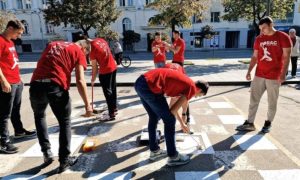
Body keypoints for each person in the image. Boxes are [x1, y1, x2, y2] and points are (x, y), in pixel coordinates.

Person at [29, 40, 93, 173]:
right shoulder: (78, 51)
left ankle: (46, 152)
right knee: (64, 122)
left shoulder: (53, 44)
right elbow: (80, 80)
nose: (85, 58)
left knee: (39, 116)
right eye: (87, 55)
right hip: (55, 86)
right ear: (84, 49)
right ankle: (64, 161)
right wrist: (88, 106)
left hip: (35, 85)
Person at [135, 68, 209, 166]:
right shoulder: (192, 87)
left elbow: (171, 108)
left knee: (154, 117)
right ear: (199, 89)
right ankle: (173, 156)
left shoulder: (185, 85)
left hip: (140, 83)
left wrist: (182, 124)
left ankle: (155, 151)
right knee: (169, 121)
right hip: (150, 87)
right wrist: (182, 124)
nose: (196, 97)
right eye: (199, 95)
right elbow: (172, 111)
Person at [236, 16, 292, 133]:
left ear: (271, 25)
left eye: (264, 28)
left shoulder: (283, 37)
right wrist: (249, 70)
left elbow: (287, 57)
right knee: (253, 99)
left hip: (274, 75)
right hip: (259, 74)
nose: (262, 31)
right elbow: (255, 56)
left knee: (272, 101)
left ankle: (268, 123)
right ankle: (250, 123)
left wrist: (283, 74)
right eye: (261, 28)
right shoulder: (259, 39)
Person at [0, 20, 36, 154]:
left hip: (16, 81)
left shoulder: (10, 42)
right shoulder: (1, 41)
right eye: (18, 33)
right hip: (7, 82)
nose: (19, 36)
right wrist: (3, 81)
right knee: (4, 113)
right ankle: (4, 142)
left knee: (16, 109)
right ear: (9, 28)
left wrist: (19, 80)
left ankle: (19, 131)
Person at [90, 38, 118, 121]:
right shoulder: (101, 40)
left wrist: (92, 80)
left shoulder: (92, 50)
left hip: (105, 71)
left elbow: (94, 69)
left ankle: (111, 114)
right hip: (113, 66)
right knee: (113, 88)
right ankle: (114, 108)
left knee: (107, 92)